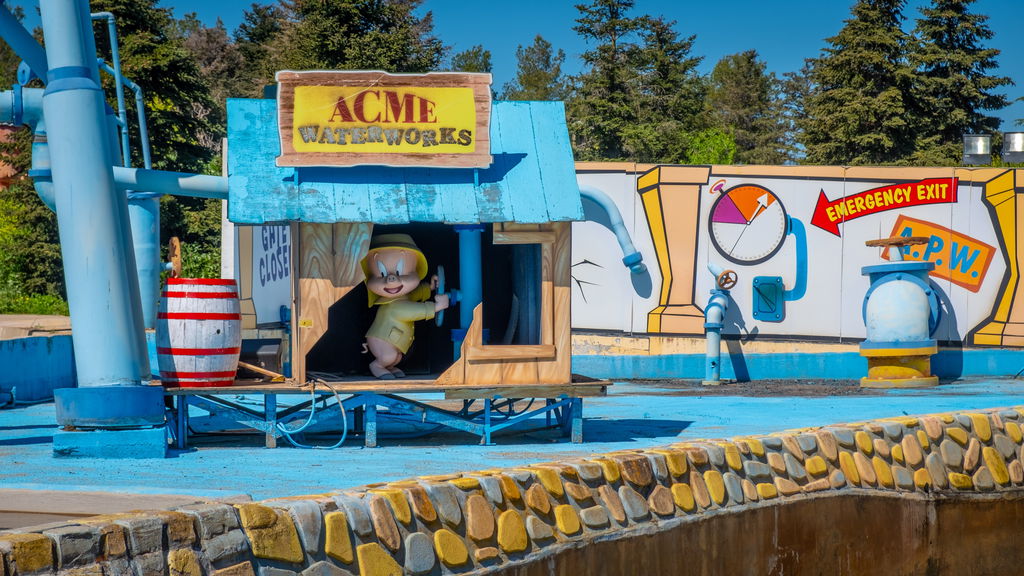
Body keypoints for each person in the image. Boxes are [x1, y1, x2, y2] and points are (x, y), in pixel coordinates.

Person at [360, 234, 449, 379]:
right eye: (382, 274)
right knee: (388, 356)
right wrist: (435, 307)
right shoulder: (394, 307)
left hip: (390, 338)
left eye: (399, 272)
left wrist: (430, 288)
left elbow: (413, 295)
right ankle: (376, 366)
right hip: (381, 339)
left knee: (397, 357)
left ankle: (390, 367)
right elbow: (412, 310)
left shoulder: (401, 299)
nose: (391, 280)